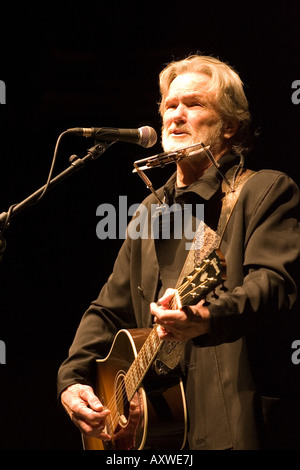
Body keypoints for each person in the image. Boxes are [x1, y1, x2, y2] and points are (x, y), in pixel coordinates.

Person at [57, 54, 300, 450]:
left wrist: (206, 316)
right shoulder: (149, 212)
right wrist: (73, 380)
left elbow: (273, 285)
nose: (176, 116)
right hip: (156, 430)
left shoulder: (264, 190)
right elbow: (107, 310)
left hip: (233, 419)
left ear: (230, 126)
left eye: (194, 105)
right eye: (170, 105)